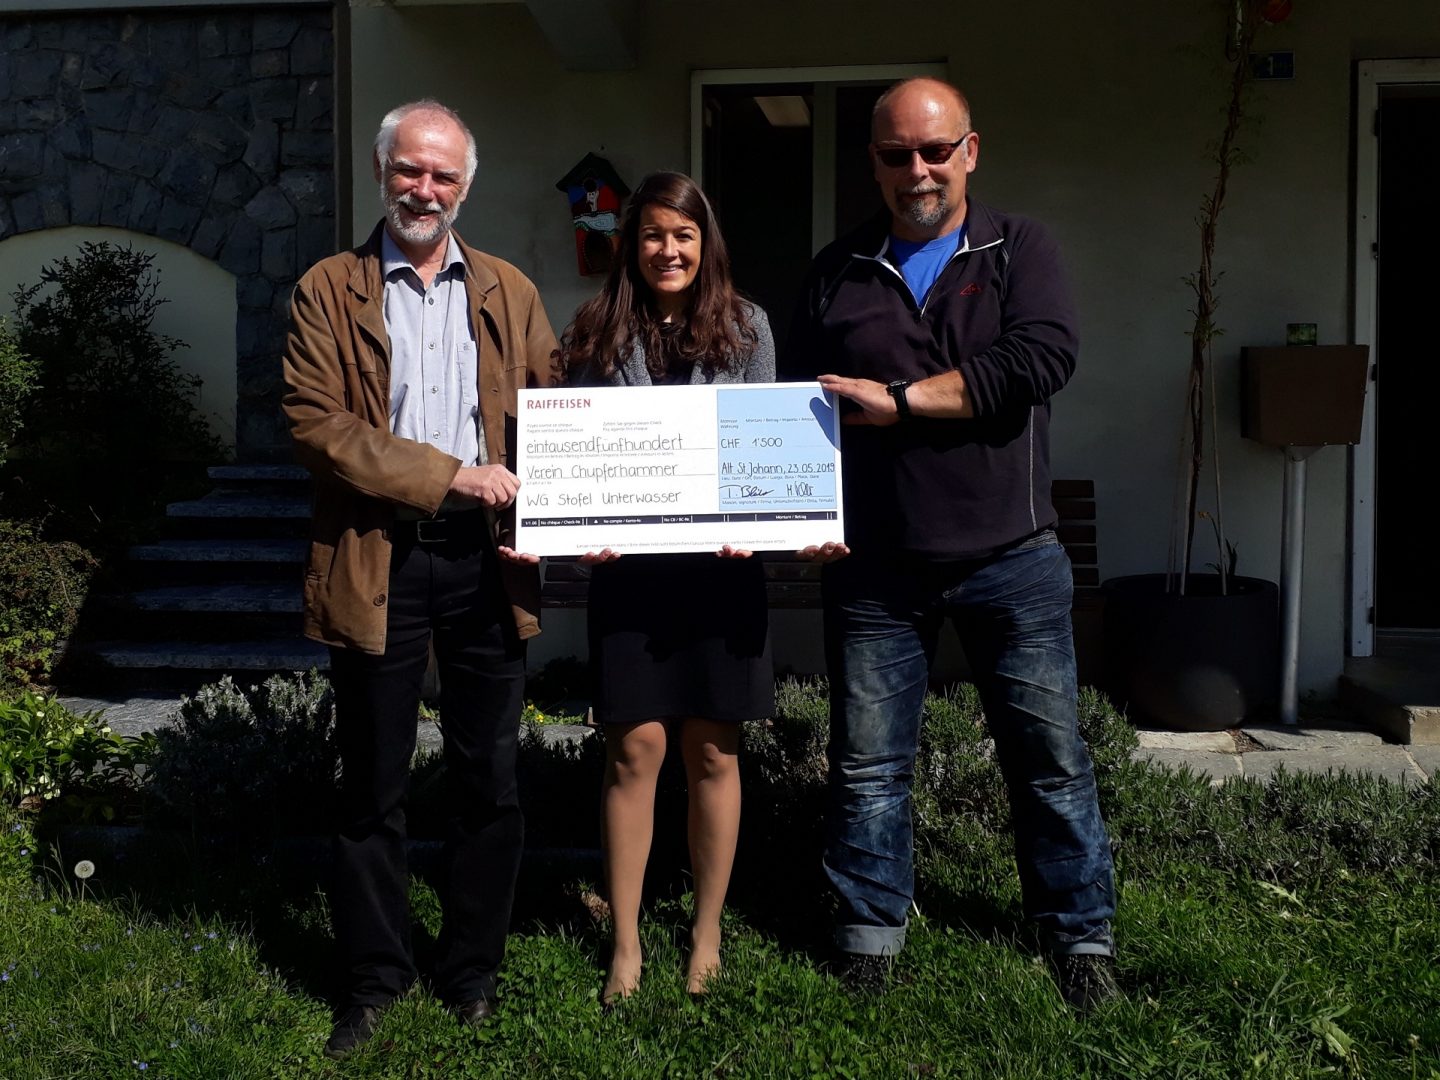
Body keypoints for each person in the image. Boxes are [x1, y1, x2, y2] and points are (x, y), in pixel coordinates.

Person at [783, 77, 1119, 1010]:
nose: (917, 171)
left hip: (1011, 557)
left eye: (936, 151)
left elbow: (1039, 359)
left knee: (1049, 762)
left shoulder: (1020, 250)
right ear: (874, 163)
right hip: (877, 572)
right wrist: (803, 518)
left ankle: (1080, 938)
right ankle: (868, 937)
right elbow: (793, 412)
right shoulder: (835, 269)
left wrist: (899, 403)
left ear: (971, 151)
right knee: (867, 767)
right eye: (897, 154)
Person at [281, 99, 559, 1057]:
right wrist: (449, 475)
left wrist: (585, 504)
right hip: (378, 558)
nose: (424, 190)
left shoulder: (511, 290)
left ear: (465, 186)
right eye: (410, 171)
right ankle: (374, 978)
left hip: (486, 562)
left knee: (491, 778)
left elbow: (554, 415)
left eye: (443, 176)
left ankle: (472, 971)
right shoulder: (330, 287)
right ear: (381, 171)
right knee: (372, 786)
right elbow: (319, 425)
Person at [554, 171, 776, 1004]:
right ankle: (626, 941)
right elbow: (578, 458)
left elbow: (762, 449)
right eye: (652, 234)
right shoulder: (596, 329)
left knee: (713, 750)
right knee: (634, 751)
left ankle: (707, 931)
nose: (668, 250)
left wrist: (766, 518)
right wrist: (582, 532)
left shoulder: (748, 326)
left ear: (704, 241)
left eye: (682, 235)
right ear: (631, 244)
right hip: (633, 579)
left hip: (723, 573)